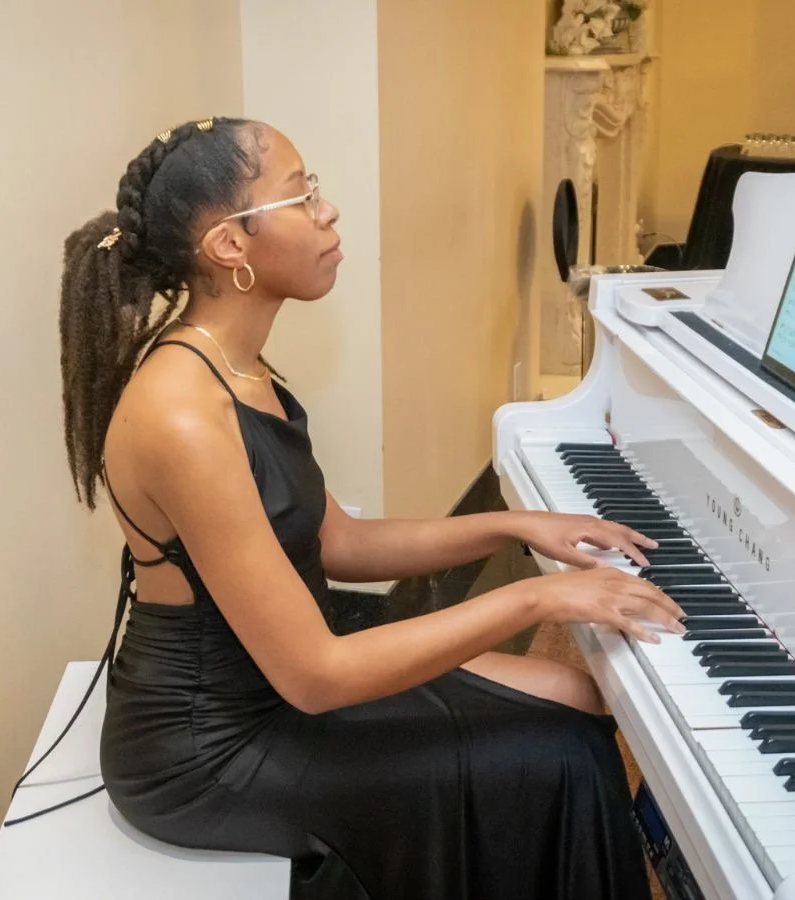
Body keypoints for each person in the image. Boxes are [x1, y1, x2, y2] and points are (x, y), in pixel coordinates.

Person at [57, 115, 685, 899]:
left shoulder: (241, 367)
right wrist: (539, 591)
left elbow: (338, 544)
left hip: (278, 669)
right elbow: (317, 678)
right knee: (558, 751)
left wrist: (513, 524)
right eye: (301, 195)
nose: (328, 211)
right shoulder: (182, 413)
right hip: (211, 746)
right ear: (229, 246)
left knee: (577, 699)